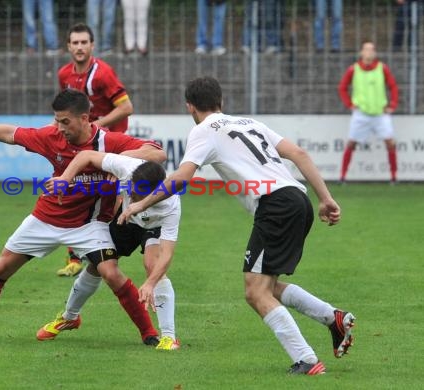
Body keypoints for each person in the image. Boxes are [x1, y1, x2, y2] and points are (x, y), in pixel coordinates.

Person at [119, 76, 356, 375]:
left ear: (189, 106)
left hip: (275, 205)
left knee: (255, 292)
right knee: (265, 285)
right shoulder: (249, 122)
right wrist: (326, 198)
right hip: (298, 198)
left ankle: (307, 360)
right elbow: (299, 154)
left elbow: (181, 177)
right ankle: (332, 317)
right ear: (222, 102)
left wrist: (140, 204)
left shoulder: (203, 130)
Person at [0, 89, 165, 345]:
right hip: (45, 218)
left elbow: (157, 154)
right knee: (1, 267)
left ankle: (149, 334)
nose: (59, 127)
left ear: (85, 119)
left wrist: (114, 160)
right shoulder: (51, 137)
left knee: (110, 271)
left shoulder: (108, 143)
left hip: (89, 224)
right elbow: (12, 134)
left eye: (65, 122)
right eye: (56, 120)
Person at [39, 151, 181, 350]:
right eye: (131, 187)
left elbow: (167, 254)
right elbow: (86, 155)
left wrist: (149, 284)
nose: (131, 193)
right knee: (98, 265)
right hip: (126, 220)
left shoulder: (169, 206)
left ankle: (169, 337)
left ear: (154, 193)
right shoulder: (127, 167)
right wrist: (65, 179)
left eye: (137, 193)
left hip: (153, 227)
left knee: (154, 267)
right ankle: (69, 317)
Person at [56, 23, 134, 277]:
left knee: (112, 197)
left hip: (109, 142)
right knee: (70, 189)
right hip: (83, 142)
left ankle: (110, 249)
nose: (79, 47)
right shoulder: (64, 74)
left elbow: (126, 108)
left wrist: (95, 125)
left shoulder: (102, 74)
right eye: (75, 43)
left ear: (92, 45)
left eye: (83, 42)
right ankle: (74, 256)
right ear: (68, 46)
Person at [338, 40, 399, 183]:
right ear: (361, 52)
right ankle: (342, 176)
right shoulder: (354, 69)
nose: (369, 52)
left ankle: (394, 177)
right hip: (361, 114)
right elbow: (342, 87)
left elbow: (393, 86)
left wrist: (393, 104)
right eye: (366, 49)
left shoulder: (382, 68)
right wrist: (349, 104)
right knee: (351, 143)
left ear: (375, 53)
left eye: (372, 49)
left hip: (380, 114)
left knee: (390, 143)